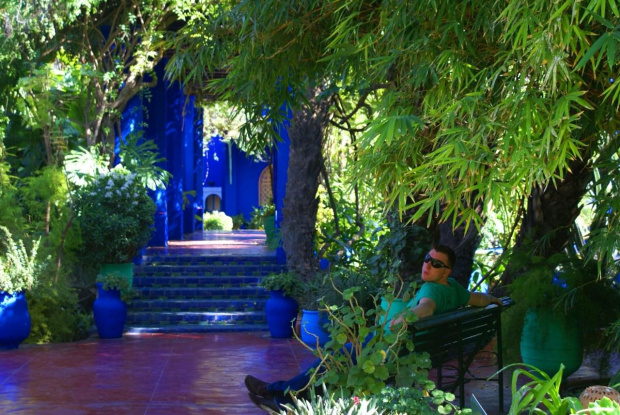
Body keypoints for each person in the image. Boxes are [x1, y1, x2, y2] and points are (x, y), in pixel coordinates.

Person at [245, 245, 502, 412]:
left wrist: (405, 317)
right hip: (417, 349)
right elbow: (476, 298)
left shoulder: (431, 289)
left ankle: (278, 393)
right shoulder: (454, 288)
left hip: (391, 350)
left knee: (333, 360)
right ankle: (280, 393)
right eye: (427, 259)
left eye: (436, 264)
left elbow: (426, 308)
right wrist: (492, 299)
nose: (427, 265)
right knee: (335, 358)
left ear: (446, 271)